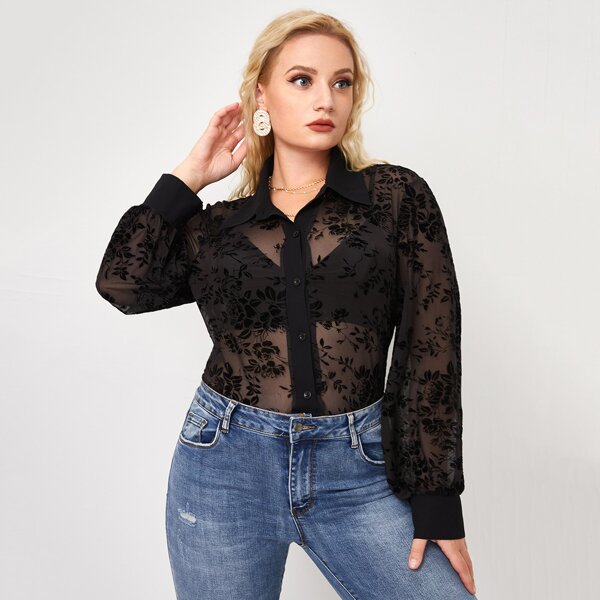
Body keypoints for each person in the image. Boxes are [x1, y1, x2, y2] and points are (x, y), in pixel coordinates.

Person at [95, 8, 477, 600]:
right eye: (302, 80)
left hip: (360, 472)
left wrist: (437, 504)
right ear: (261, 96)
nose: (326, 98)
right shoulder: (216, 228)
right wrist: (189, 176)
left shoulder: (396, 198)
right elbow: (122, 284)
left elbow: (432, 347)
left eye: (342, 82)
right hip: (223, 469)